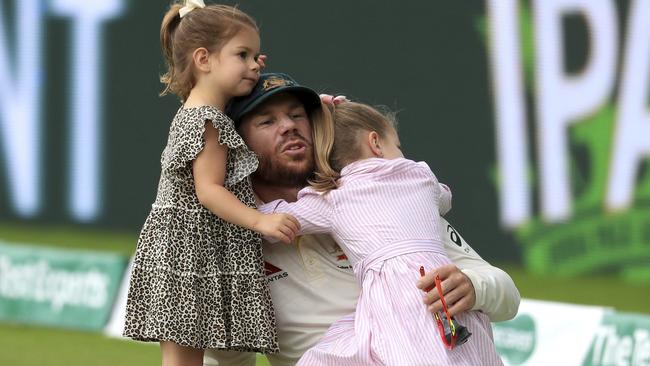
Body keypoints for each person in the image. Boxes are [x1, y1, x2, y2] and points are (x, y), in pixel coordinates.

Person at [204, 73, 520, 366]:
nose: (288, 126)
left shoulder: (384, 198)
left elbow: (506, 295)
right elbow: (227, 358)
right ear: (236, 144)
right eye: (267, 121)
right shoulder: (237, 236)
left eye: (298, 115)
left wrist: (473, 287)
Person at [122, 3, 299, 366]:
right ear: (204, 59)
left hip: (190, 249)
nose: (254, 64)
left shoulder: (197, 108)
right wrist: (260, 220)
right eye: (242, 55)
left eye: (255, 56)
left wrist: (241, 66)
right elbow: (209, 190)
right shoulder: (208, 122)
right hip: (192, 253)